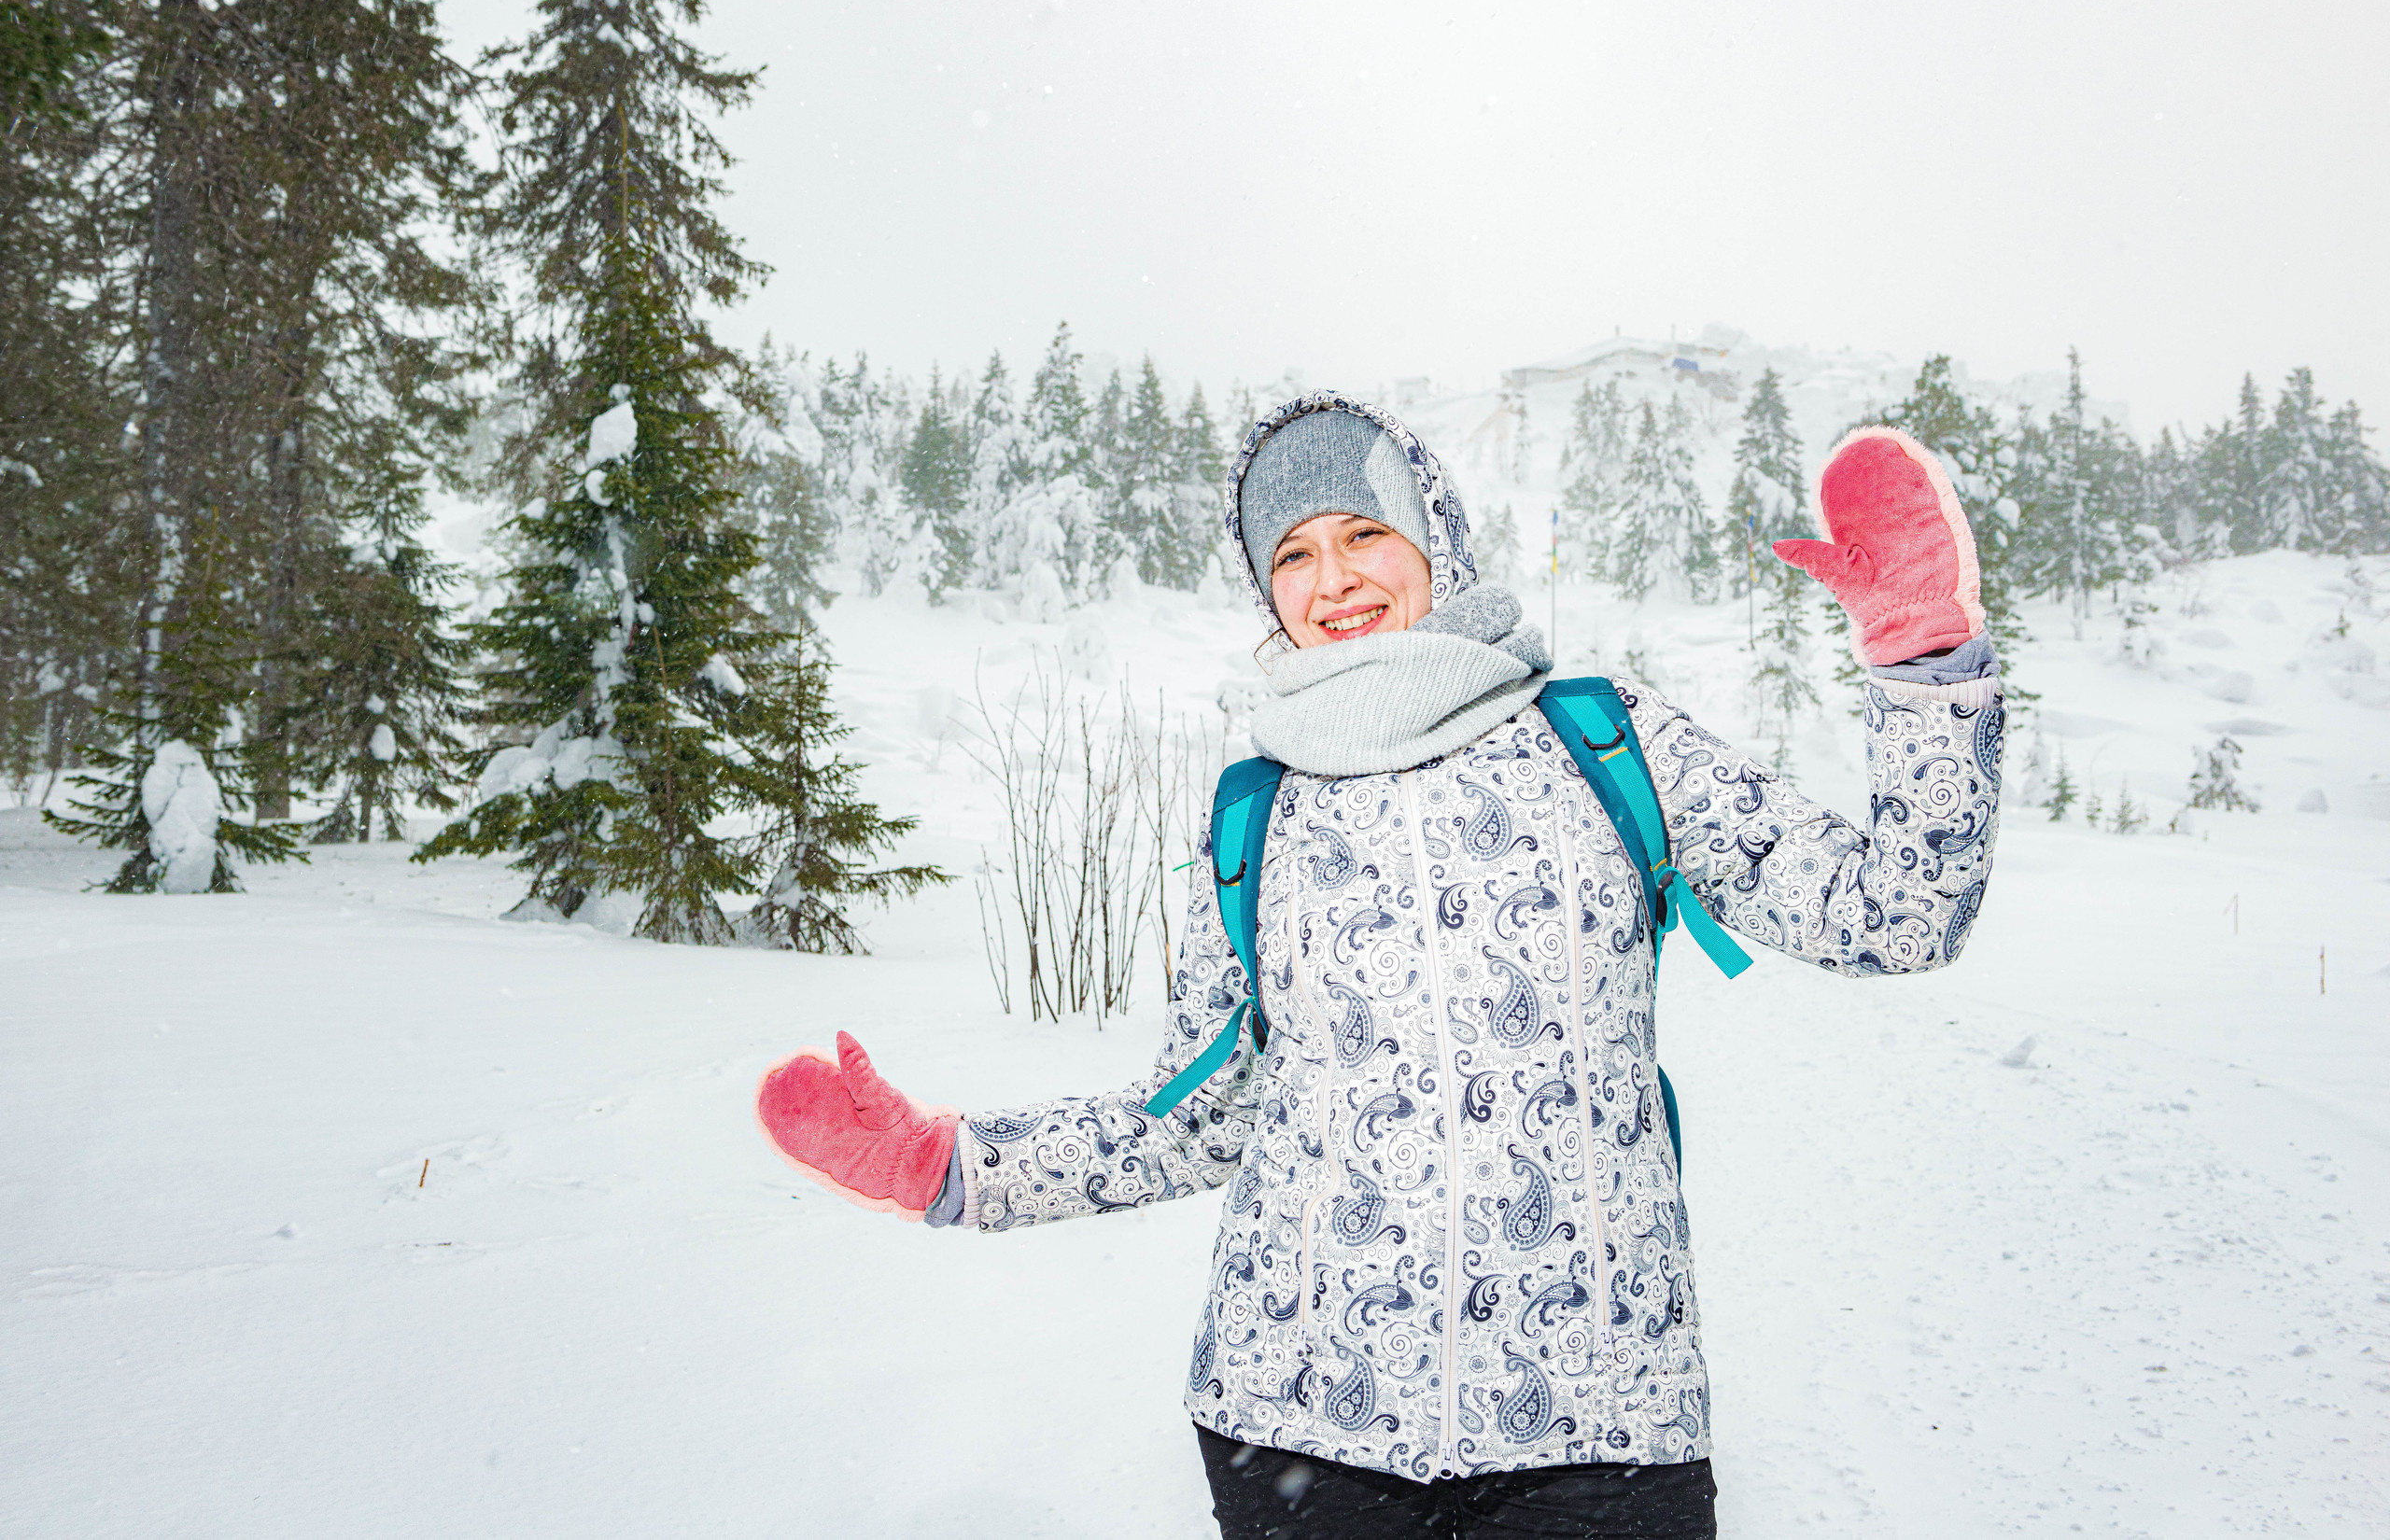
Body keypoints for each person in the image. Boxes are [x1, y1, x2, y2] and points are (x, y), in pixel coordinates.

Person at [757, 392, 2004, 1538]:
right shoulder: (1258, 810)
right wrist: (947, 1165)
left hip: (1603, 1430)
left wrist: (1922, 658)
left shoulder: (1600, 738)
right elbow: (1196, 1119)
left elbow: (1894, 915)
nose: (1334, 578)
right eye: (1293, 554)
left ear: (1434, 539)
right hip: (1302, 1433)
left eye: (1363, 533)